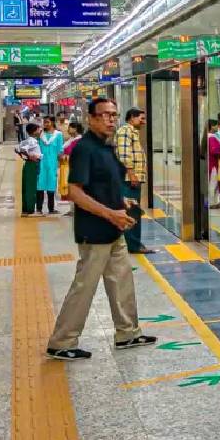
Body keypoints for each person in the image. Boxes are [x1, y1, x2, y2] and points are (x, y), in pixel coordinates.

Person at [47, 98, 157, 360]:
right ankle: (62, 341)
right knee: (85, 286)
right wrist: (110, 213)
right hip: (95, 231)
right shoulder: (85, 148)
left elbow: (106, 185)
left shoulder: (106, 148)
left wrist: (122, 201)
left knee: (122, 282)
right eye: (105, 115)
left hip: (113, 229)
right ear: (91, 118)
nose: (110, 119)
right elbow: (75, 192)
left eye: (114, 115)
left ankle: (127, 333)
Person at [115, 108, 155, 254]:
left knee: (133, 210)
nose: (143, 122)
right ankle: (134, 245)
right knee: (132, 211)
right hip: (128, 179)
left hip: (132, 178)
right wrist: (132, 174)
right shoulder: (125, 131)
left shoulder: (131, 132)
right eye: (141, 119)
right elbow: (124, 156)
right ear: (132, 117)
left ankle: (134, 243)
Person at [36, 116, 64, 215]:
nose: (45, 124)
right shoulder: (40, 135)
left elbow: (60, 149)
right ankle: (39, 208)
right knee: (39, 185)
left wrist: (60, 161)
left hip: (52, 163)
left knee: (51, 185)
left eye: (47, 122)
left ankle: (51, 208)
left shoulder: (58, 135)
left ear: (52, 123)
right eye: (44, 122)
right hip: (41, 163)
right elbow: (37, 147)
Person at [16, 124, 43, 216]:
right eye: (39, 129)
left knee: (26, 186)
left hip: (28, 164)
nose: (40, 131)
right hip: (32, 164)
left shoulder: (26, 140)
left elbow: (17, 149)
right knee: (31, 187)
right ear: (34, 131)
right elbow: (23, 149)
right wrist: (29, 156)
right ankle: (30, 209)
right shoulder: (33, 141)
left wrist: (24, 156)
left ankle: (25, 209)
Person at [59, 122, 85, 215]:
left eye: (70, 128)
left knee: (74, 187)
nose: (68, 129)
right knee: (68, 187)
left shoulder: (79, 140)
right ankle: (72, 209)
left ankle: (76, 209)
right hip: (66, 166)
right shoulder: (71, 139)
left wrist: (67, 156)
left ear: (76, 129)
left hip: (74, 166)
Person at [205, 119, 220, 208]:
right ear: (212, 126)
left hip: (213, 164)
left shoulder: (209, 137)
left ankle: (214, 201)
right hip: (213, 164)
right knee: (213, 183)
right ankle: (211, 202)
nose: (218, 127)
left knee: (214, 183)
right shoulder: (212, 137)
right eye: (216, 125)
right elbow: (213, 150)